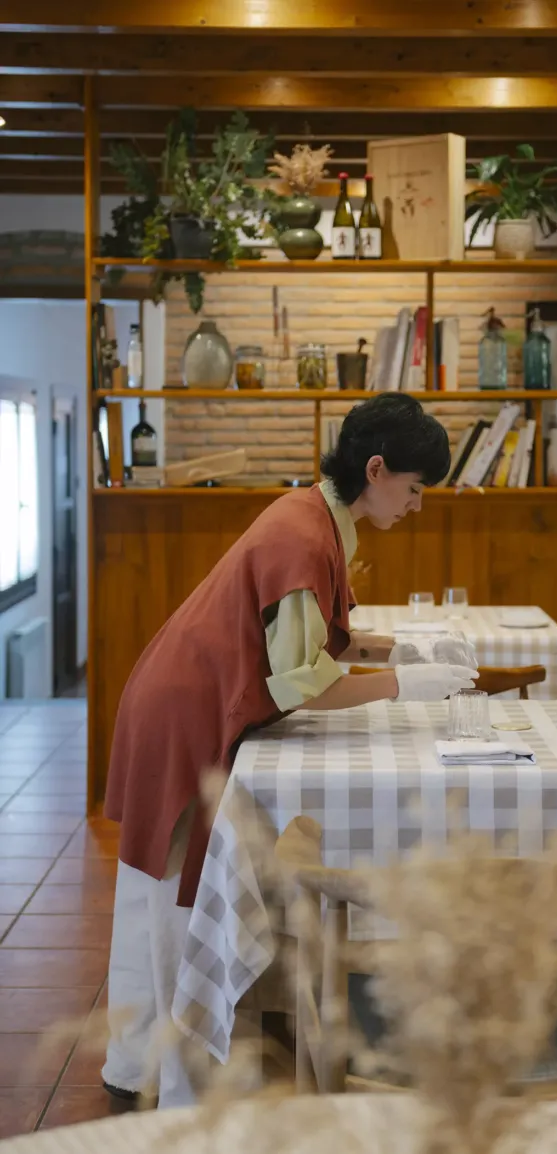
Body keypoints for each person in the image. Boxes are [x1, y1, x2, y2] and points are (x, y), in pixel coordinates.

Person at [101, 393, 478, 1107]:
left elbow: (309, 639)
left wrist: (400, 646)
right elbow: (303, 684)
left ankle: (136, 1064)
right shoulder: (303, 535)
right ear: (377, 469)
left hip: (182, 696)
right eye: (417, 488)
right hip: (185, 713)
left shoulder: (317, 514)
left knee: (154, 898)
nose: (419, 505)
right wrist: (406, 681)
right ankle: (173, 1087)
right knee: (173, 902)